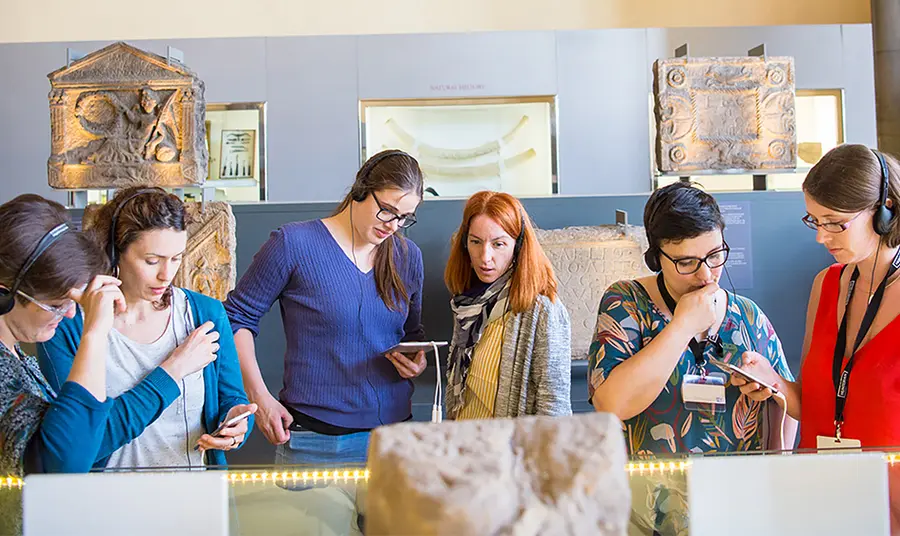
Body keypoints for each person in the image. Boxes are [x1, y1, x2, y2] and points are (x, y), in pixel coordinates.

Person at [732, 144, 900, 531]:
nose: (821, 238)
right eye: (814, 221)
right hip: (823, 500)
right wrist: (773, 383)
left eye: (835, 223)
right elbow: (814, 405)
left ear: (885, 211)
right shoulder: (826, 285)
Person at [224, 149, 427, 466]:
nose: (394, 225)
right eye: (387, 210)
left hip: (395, 438)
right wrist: (259, 398)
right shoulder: (293, 244)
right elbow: (235, 319)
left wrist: (416, 361)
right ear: (361, 190)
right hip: (315, 440)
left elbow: (412, 334)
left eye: (404, 217)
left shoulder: (408, 256)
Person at [38, 187, 254, 469]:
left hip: (195, 499)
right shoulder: (67, 325)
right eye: (152, 261)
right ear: (115, 252)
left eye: (176, 258)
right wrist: (172, 370)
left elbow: (232, 398)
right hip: (102, 503)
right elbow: (79, 444)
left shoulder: (206, 314)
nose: (167, 274)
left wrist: (236, 426)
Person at [588, 182, 796, 454]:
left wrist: (771, 388)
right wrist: (682, 326)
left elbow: (791, 405)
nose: (706, 275)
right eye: (686, 262)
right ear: (655, 258)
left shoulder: (748, 315)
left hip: (740, 487)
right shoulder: (627, 302)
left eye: (715, 256)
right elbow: (612, 405)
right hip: (653, 491)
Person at [0, 194, 123, 477]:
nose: (69, 314)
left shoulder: (15, 354)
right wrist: (94, 333)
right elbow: (61, 466)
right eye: (56, 305)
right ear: (3, 294)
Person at [444, 191, 571, 419]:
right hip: (463, 444)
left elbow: (555, 406)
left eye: (498, 244)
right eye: (476, 242)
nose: (485, 257)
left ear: (518, 245)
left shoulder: (542, 310)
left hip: (509, 449)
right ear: (465, 244)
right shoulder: (468, 303)